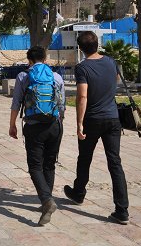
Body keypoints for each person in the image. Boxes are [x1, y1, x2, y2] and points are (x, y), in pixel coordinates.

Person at [64, 31, 130, 225]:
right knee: (115, 162)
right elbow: (115, 81)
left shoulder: (82, 68)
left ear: (80, 48)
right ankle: (122, 209)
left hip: (93, 119)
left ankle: (79, 192)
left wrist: (79, 122)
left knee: (84, 157)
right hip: (112, 118)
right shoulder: (111, 62)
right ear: (98, 44)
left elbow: (82, 96)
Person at [9, 46, 65, 226]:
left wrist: (12, 125)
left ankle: (47, 201)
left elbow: (16, 102)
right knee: (49, 164)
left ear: (29, 60)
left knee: (35, 166)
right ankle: (46, 200)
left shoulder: (23, 77)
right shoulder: (56, 77)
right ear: (45, 58)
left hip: (33, 127)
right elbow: (62, 104)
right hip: (54, 125)